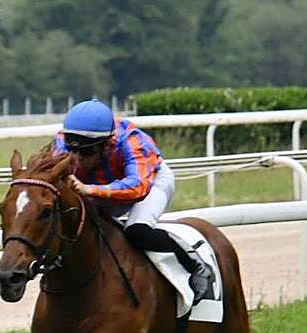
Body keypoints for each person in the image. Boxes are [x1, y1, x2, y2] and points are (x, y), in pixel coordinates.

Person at [56, 98, 213, 301]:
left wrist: (89, 189)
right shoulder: (62, 140)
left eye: (86, 152)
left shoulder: (133, 141)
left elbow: (137, 187)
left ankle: (194, 263)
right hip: (98, 186)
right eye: (72, 150)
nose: (77, 159)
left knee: (137, 231)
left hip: (150, 182)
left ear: (106, 144)